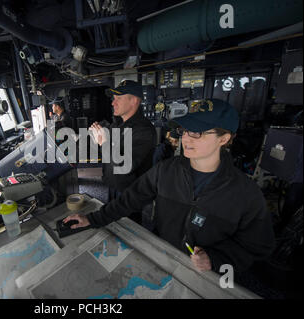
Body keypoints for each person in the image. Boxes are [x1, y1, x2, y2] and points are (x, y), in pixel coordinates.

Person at [65, 99, 275, 274]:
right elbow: (130, 199)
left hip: (207, 276)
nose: (186, 138)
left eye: (198, 132)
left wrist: (216, 259)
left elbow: (258, 246)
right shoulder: (166, 170)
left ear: (224, 138)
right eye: (185, 130)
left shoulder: (246, 193)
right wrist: (92, 219)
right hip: (164, 261)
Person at [90, 80, 156, 218]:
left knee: (128, 230)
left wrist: (104, 143)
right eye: (113, 99)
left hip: (130, 193)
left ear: (134, 101)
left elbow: (125, 165)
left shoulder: (144, 130)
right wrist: (97, 135)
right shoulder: (118, 125)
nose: (113, 103)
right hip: (113, 185)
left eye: (118, 98)